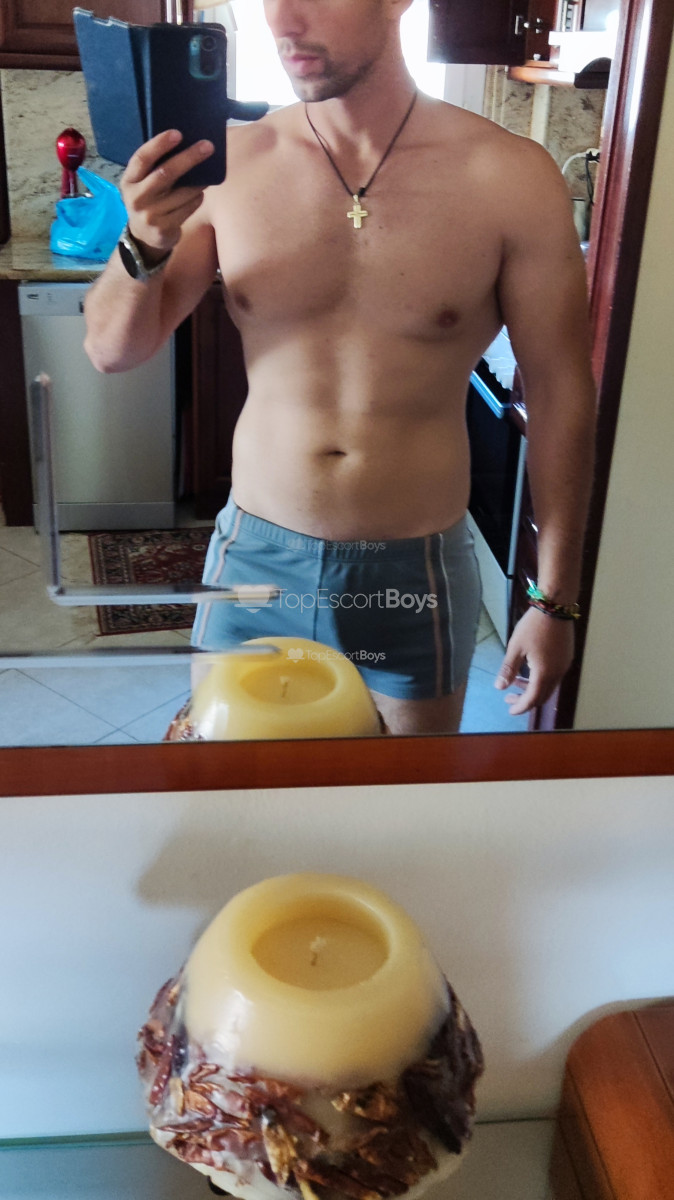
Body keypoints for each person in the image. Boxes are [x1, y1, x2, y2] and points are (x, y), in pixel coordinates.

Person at [83, 0, 596, 736]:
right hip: (258, 557)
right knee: (238, 787)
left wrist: (555, 600)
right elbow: (111, 350)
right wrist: (143, 241)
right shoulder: (227, 165)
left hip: (412, 570)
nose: (283, 21)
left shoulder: (509, 177)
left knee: (397, 795)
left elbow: (560, 395)